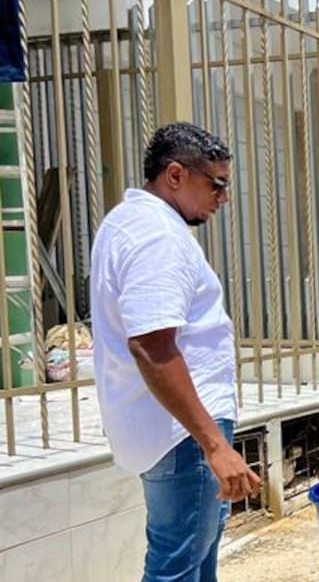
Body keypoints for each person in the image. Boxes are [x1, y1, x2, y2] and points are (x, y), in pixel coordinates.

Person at [90, 122, 261, 582]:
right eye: (217, 184)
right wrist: (214, 444)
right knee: (176, 567)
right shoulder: (157, 238)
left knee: (196, 559)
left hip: (173, 429)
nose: (223, 197)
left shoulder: (132, 222)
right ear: (175, 175)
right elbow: (151, 345)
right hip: (181, 435)